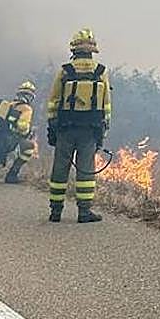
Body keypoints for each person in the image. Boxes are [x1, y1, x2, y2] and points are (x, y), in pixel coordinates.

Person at [45, 29, 111, 223]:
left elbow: (53, 101)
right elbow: (106, 103)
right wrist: (104, 128)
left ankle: (55, 211)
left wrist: (52, 126)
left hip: (65, 128)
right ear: (92, 50)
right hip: (90, 130)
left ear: (74, 48)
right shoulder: (101, 71)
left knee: (60, 168)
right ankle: (84, 212)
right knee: (85, 170)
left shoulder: (65, 70)